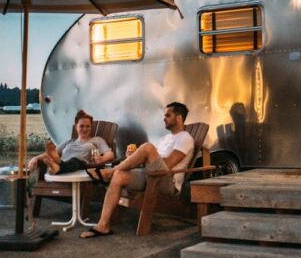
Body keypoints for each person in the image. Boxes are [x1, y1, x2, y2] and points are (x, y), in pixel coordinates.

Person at [80, 101, 194, 239]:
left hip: (167, 181)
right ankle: (103, 225)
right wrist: (133, 158)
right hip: (150, 175)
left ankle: (108, 172)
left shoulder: (185, 138)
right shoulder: (165, 138)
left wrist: (142, 156)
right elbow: (153, 161)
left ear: (179, 118)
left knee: (147, 147)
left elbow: (168, 164)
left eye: (168, 115)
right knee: (119, 175)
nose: (164, 118)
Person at [27, 110, 114, 175]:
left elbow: (110, 154)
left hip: (81, 169)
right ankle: (58, 165)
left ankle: (58, 165)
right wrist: (36, 158)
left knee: (74, 160)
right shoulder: (69, 142)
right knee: (50, 158)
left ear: (91, 127)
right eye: (82, 126)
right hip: (64, 170)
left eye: (88, 126)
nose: (85, 129)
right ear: (76, 127)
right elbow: (50, 153)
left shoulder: (97, 140)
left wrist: (102, 159)